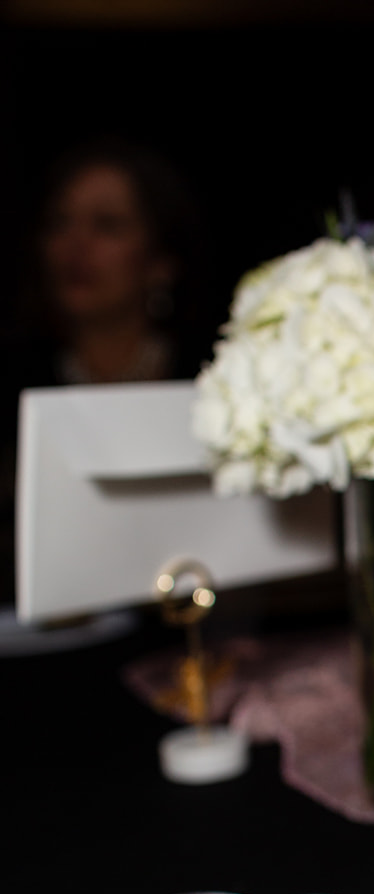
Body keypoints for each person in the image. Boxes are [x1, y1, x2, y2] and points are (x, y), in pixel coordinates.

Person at [0, 140, 205, 604]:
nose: (75, 246)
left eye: (107, 225)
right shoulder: (14, 379)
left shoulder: (210, 384)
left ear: (160, 260)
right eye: (59, 223)